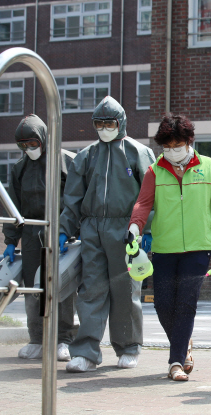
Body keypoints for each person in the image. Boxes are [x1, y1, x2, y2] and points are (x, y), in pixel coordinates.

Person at [128, 113, 211, 381]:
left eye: (176, 146)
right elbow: (143, 204)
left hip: (198, 248)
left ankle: (175, 362)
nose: (171, 152)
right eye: (166, 147)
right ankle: (184, 344)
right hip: (164, 247)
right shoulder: (154, 170)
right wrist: (134, 228)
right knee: (163, 304)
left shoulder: (210, 167)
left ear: (189, 142)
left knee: (186, 304)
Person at [60, 96, 156, 372]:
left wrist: (146, 229)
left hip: (127, 228)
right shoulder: (87, 155)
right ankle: (86, 352)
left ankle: (128, 347)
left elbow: (150, 196)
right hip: (92, 228)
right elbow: (72, 198)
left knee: (125, 288)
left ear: (121, 122)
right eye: (99, 123)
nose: (104, 128)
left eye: (109, 123)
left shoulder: (137, 152)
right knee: (91, 289)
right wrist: (65, 230)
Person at [2, 114, 76, 361]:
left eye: (32, 143)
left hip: (59, 232)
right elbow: (12, 205)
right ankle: (37, 337)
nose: (28, 149)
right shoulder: (20, 168)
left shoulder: (63, 161)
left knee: (61, 287)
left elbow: (76, 198)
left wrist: (67, 229)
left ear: (44, 139)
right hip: (32, 234)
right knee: (33, 288)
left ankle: (63, 339)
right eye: (23, 145)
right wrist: (11, 240)